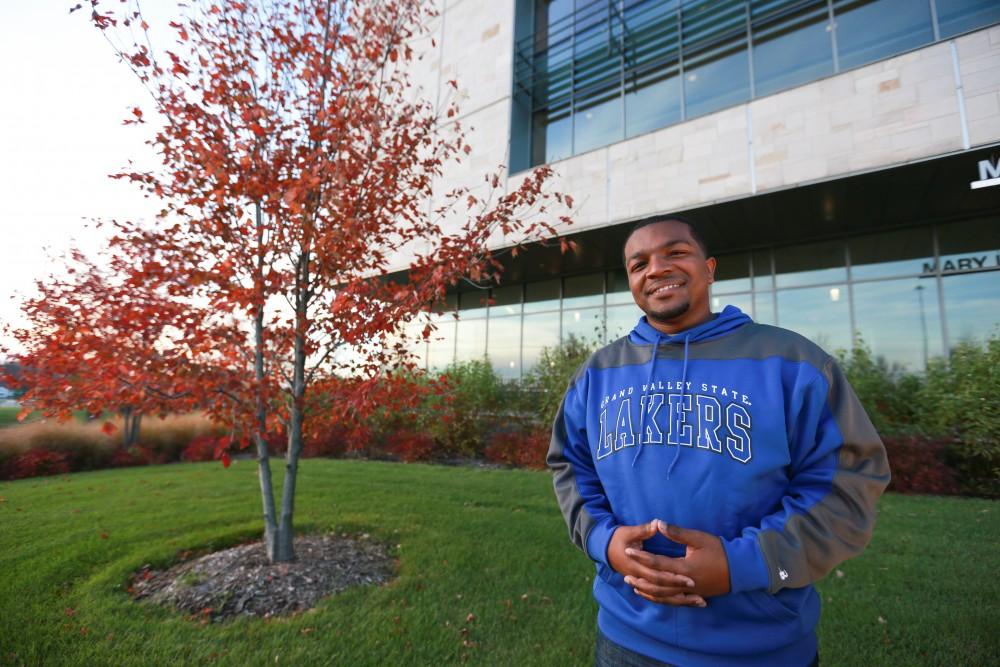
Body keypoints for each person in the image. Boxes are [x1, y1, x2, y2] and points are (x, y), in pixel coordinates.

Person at [547, 215, 891, 667]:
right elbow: (571, 466)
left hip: (759, 649)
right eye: (639, 264)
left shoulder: (793, 363)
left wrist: (739, 565)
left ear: (709, 268)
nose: (656, 269)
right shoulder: (597, 373)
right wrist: (605, 542)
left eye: (675, 253)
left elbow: (847, 489)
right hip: (624, 639)